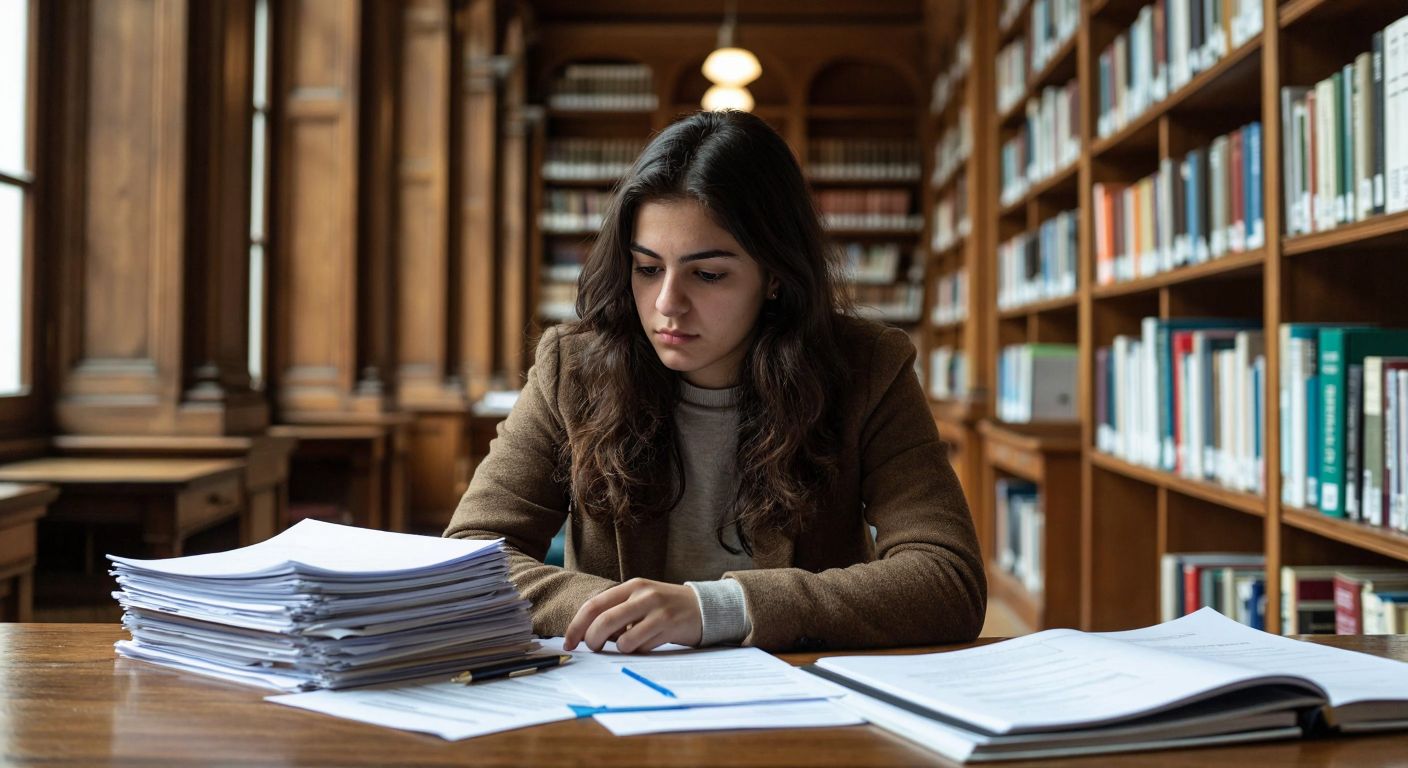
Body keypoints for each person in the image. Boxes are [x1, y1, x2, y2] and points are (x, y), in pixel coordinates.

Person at [445, 109, 985, 654]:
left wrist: (714, 610)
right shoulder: (574, 366)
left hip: (800, 698)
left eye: (708, 274)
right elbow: (468, 557)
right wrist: (627, 614)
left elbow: (948, 579)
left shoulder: (868, 367)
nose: (666, 305)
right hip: (619, 698)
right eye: (648, 268)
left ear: (775, 275)